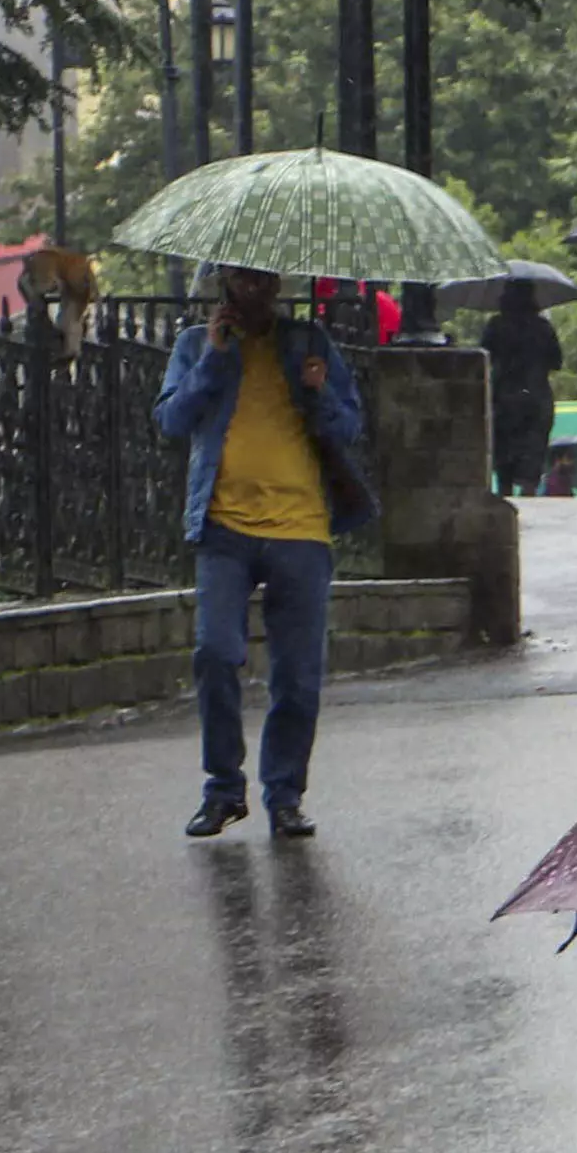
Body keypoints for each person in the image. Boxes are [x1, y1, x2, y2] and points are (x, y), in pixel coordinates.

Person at [152, 265, 370, 842]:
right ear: (224, 282)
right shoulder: (196, 344)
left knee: (298, 676)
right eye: (244, 280)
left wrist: (319, 391)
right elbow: (171, 420)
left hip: (301, 529)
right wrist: (214, 360)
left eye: (265, 280)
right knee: (215, 652)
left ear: (278, 285)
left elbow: (350, 428)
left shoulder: (308, 343)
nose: (256, 289)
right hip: (224, 527)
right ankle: (224, 789)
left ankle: (285, 796)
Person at [480, 285, 563, 497]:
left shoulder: (495, 325)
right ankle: (529, 494)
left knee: (504, 456)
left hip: (503, 399)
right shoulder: (543, 327)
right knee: (532, 453)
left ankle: (505, 499)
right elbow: (557, 361)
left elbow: (483, 357)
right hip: (536, 397)